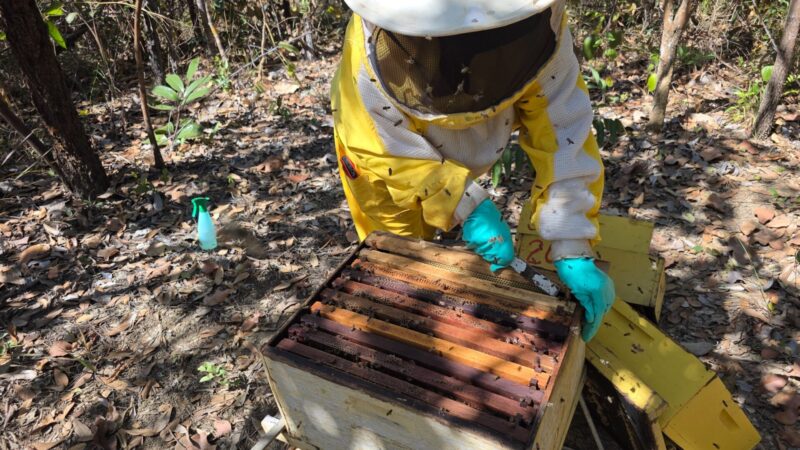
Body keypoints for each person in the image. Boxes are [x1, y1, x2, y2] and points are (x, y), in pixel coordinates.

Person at [330, 0, 615, 341]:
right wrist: (464, 204)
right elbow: (390, 151)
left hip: (466, 147)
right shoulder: (368, 63)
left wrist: (573, 241)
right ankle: (398, 336)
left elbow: (564, 134)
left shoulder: (537, 24)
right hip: (384, 165)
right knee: (396, 259)